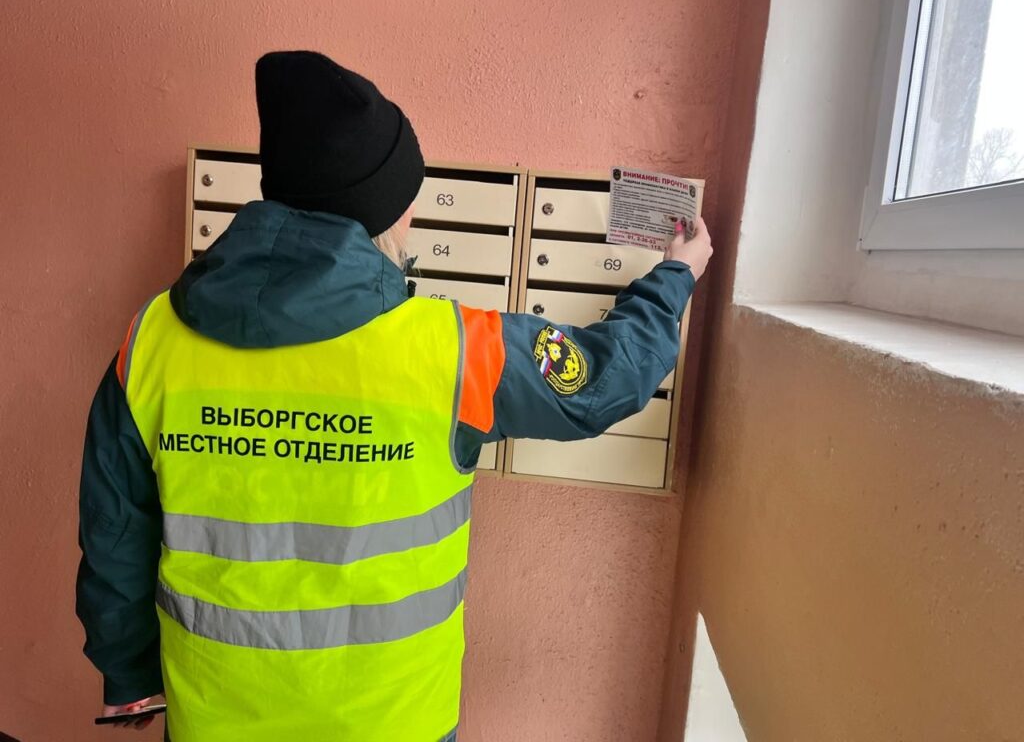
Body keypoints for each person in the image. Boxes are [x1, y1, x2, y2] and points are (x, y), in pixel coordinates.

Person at [76, 50, 713, 742]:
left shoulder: (153, 342)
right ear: (387, 212)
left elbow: (115, 535)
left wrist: (131, 679)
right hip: (398, 724)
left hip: (215, 723)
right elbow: (604, 382)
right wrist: (674, 278)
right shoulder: (457, 350)